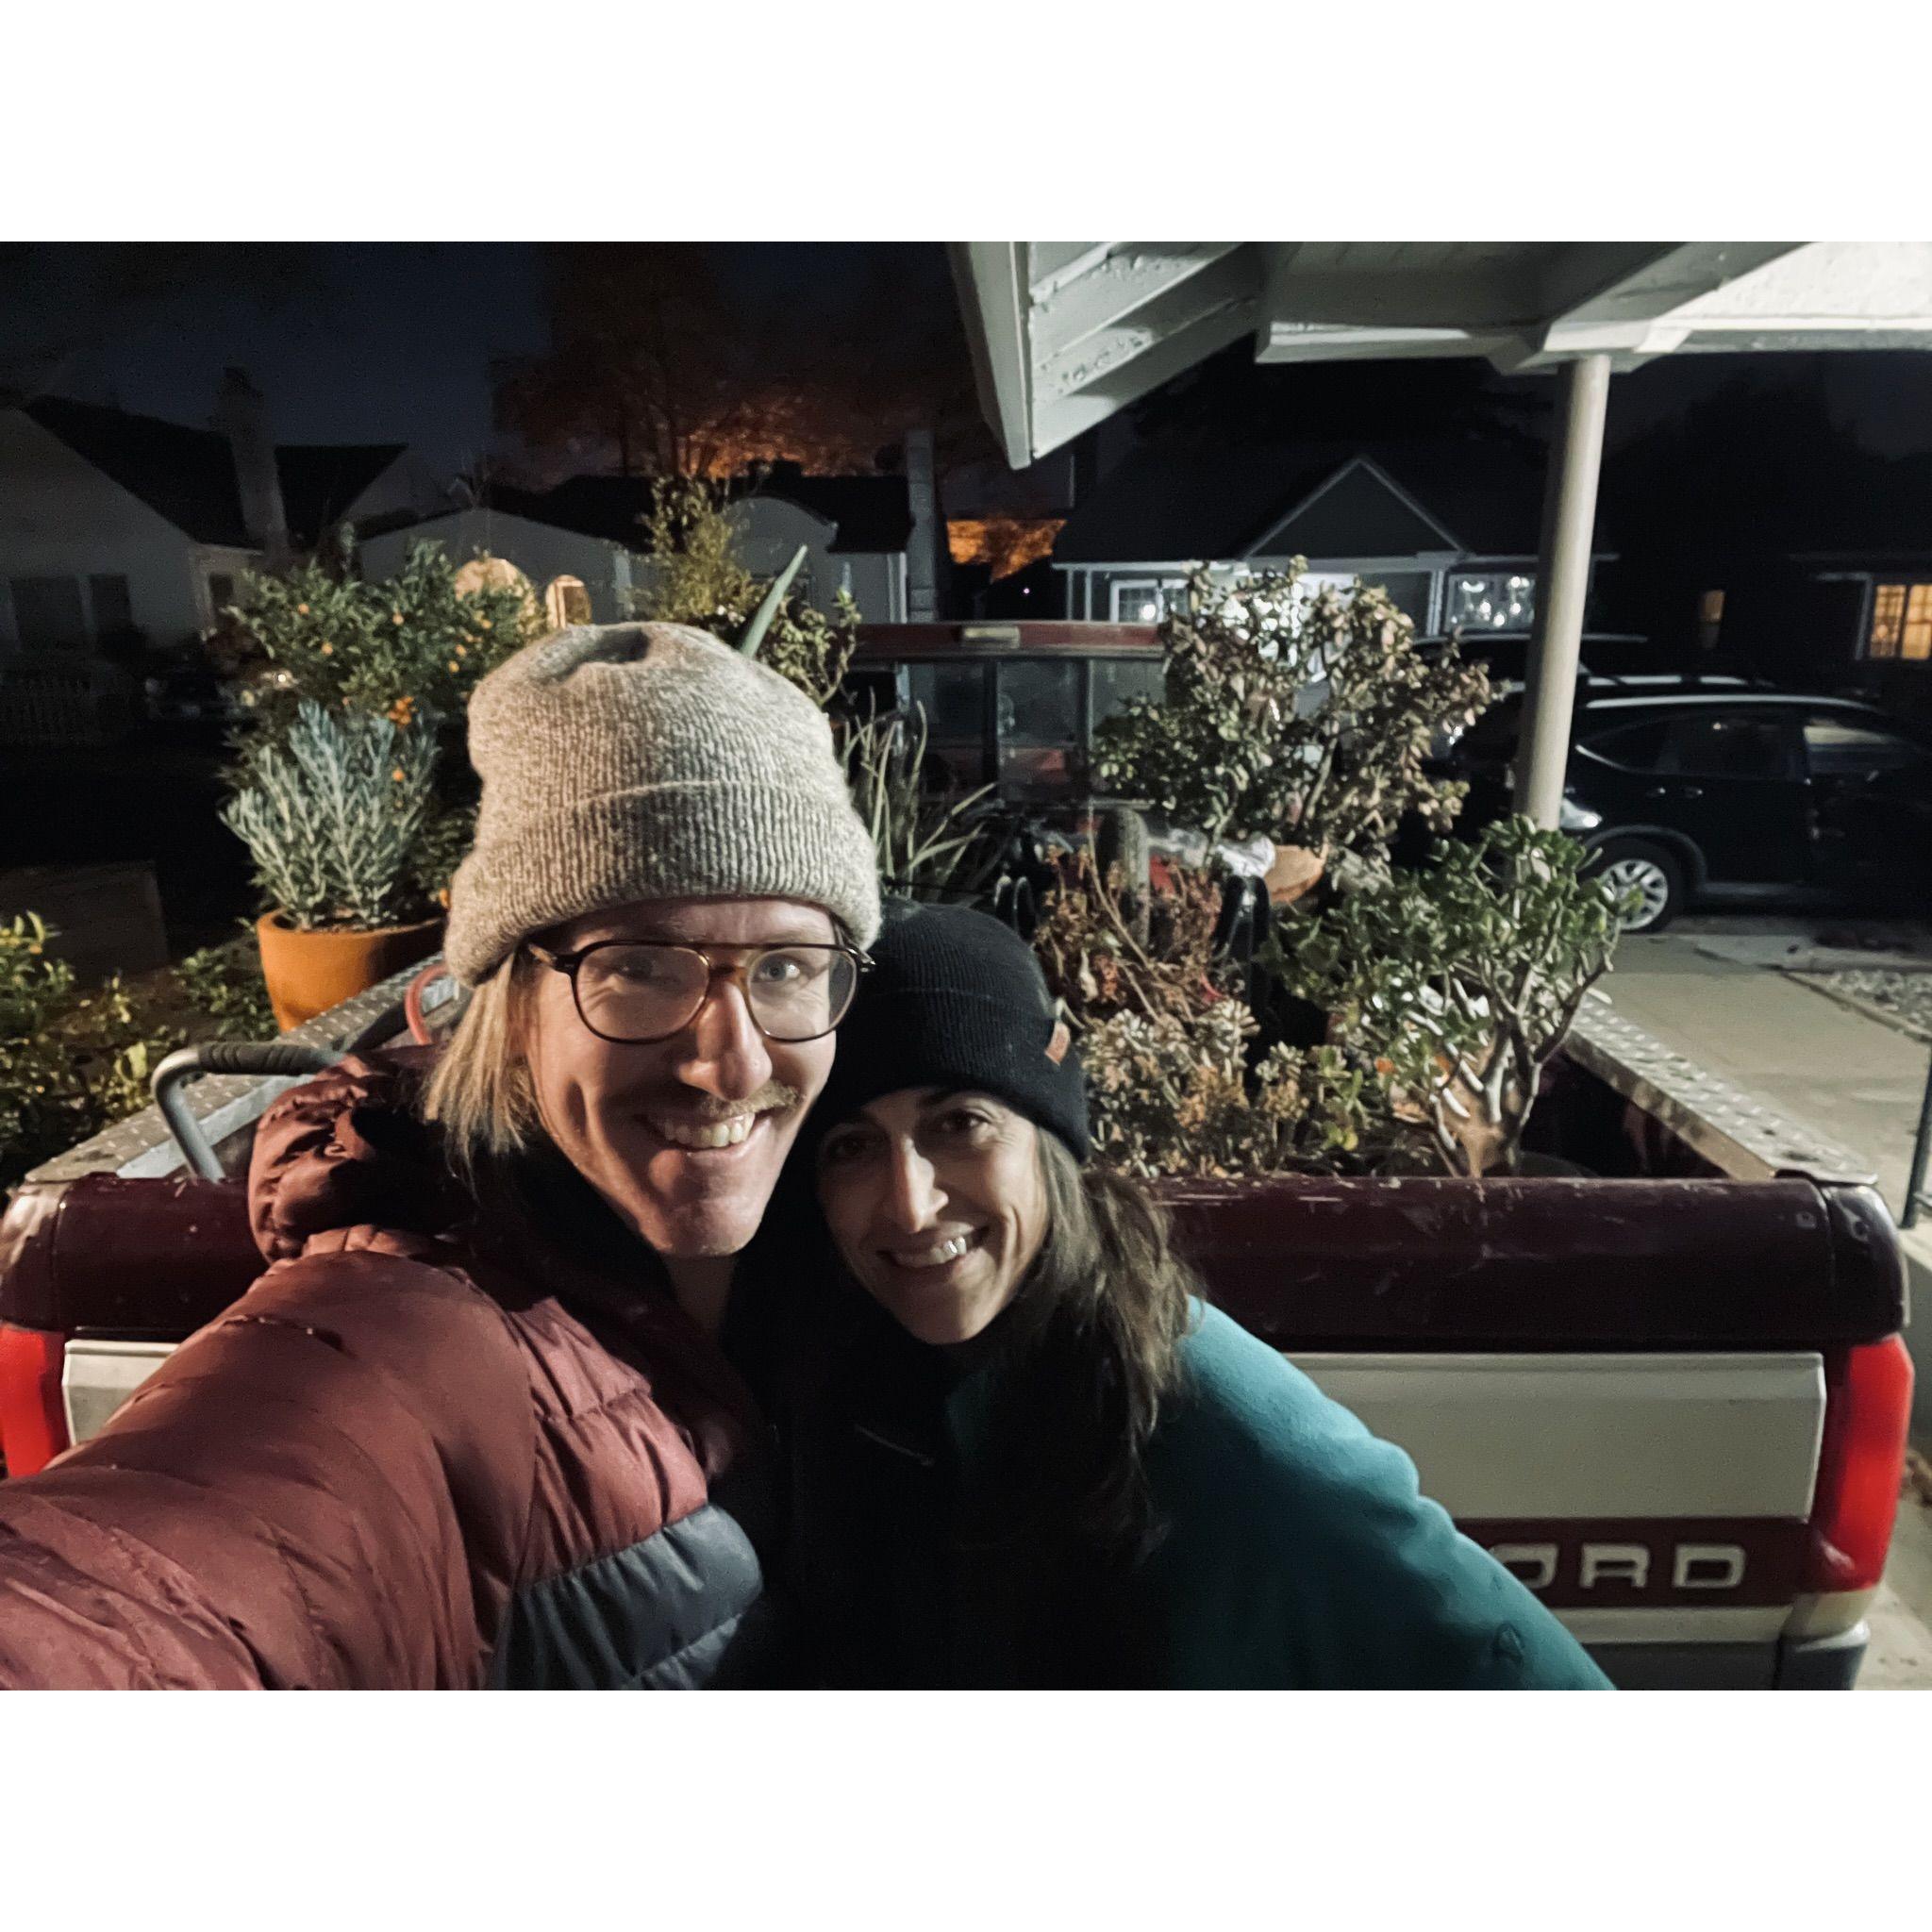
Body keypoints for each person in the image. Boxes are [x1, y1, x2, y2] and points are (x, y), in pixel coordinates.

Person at [0, 622, 881, 1689]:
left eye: (785, 965)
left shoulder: (862, 1246)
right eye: (641, 966)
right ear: (513, 1009)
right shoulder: (413, 1338)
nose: (731, 1064)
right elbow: (159, 1586)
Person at [761, 903, 1614, 1690]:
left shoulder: (1232, 1440)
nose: (909, 1203)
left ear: (1050, 1145)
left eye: (961, 1125)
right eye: (851, 1148)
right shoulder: (847, 1386)